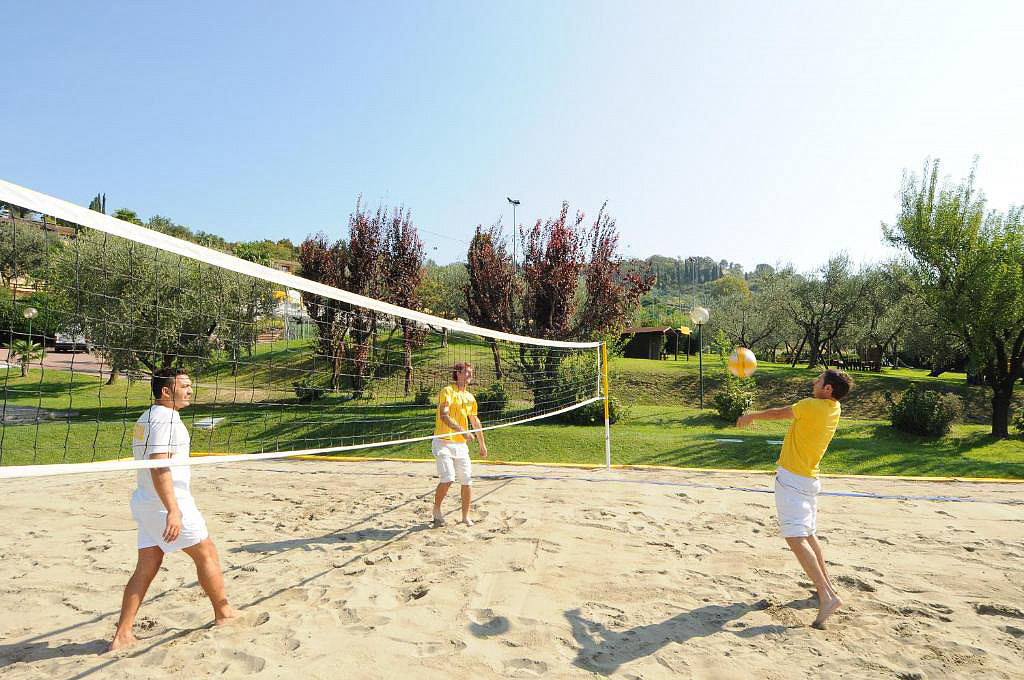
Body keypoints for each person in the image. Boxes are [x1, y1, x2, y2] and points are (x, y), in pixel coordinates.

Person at [109, 368, 236, 652]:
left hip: (146, 501)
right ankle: (224, 614)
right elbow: (158, 465)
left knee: (147, 566)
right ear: (166, 391)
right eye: (185, 386)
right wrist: (173, 510)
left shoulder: (147, 416)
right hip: (165, 503)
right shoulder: (165, 419)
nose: (190, 390)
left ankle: (123, 634)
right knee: (206, 552)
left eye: (191, 385)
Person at [736, 369, 853, 629]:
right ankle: (826, 589)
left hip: (793, 479)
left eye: (819, 380)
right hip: (809, 479)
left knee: (794, 537)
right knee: (808, 535)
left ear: (828, 389)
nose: (814, 381)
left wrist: (751, 416)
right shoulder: (834, 408)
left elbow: (778, 413)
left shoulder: (812, 406)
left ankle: (828, 596)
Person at [431, 362, 487, 527]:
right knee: (448, 478)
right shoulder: (448, 391)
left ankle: (465, 516)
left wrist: (482, 444)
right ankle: (436, 509)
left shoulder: (470, 397)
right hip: (443, 442)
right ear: (458, 373)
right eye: (467, 372)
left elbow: (475, 421)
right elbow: (444, 416)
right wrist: (462, 431)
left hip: (460, 445)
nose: (470, 375)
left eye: (471, 372)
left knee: (467, 480)